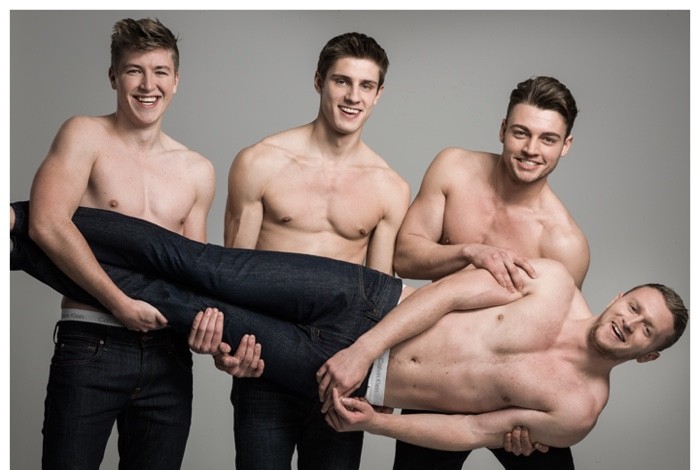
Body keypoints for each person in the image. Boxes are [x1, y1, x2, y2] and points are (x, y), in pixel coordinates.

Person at [9, 202, 688, 456]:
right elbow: (449, 293)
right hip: (366, 303)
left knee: (178, 308)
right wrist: (364, 347)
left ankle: (22, 252)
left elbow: (476, 432)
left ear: (650, 356)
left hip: (348, 379)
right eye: (635, 306)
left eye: (645, 331)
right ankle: (20, 219)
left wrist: (376, 424)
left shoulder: (577, 412)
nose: (628, 322)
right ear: (621, 293)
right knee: (201, 265)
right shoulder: (554, 283)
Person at [191, 31, 410, 470]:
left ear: (379, 94)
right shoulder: (261, 162)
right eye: (341, 81)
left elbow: (379, 298)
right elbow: (231, 273)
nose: (353, 97)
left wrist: (380, 378)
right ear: (319, 81)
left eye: (366, 85)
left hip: (338, 373)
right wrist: (226, 350)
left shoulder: (390, 188)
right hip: (264, 360)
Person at [19, 18, 216, 470]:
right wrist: (119, 303)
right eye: (134, 71)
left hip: (168, 355)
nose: (148, 85)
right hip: (93, 341)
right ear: (113, 77)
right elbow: (46, 224)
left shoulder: (197, 170)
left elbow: (192, 270)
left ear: (176, 80)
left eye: (160, 71)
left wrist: (205, 330)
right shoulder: (84, 135)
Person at [391, 75, 590, 469]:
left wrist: (532, 423)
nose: (531, 149)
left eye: (548, 139)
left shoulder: (564, 244)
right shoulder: (454, 168)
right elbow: (404, 257)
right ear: (502, 130)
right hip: (438, 372)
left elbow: (558, 346)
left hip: (509, 392)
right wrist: (470, 252)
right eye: (521, 133)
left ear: (565, 145)